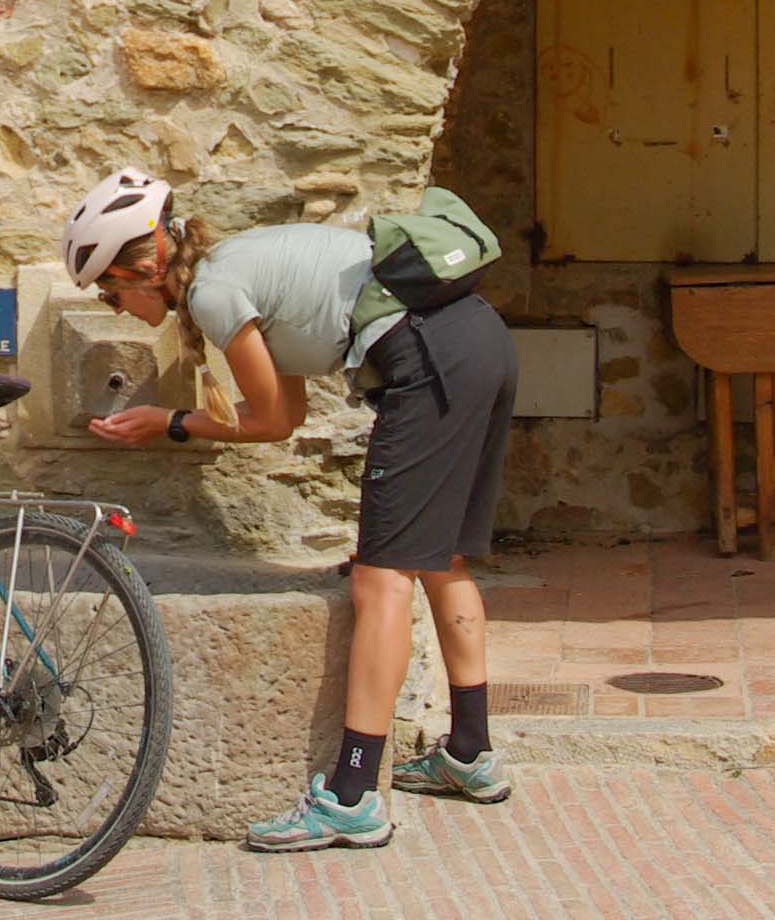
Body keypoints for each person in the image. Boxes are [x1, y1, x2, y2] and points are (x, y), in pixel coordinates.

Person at [64, 167, 518, 852]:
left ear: (148, 267)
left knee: (379, 577)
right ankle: (469, 753)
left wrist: (173, 421)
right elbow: (292, 408)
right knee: (437, 558)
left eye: (111, 287)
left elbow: (272, 419)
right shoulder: (234, 267)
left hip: (427, 362)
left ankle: (351, 796)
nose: (113, 306)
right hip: (476, 342)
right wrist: (179, 419)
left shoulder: (215, 293)